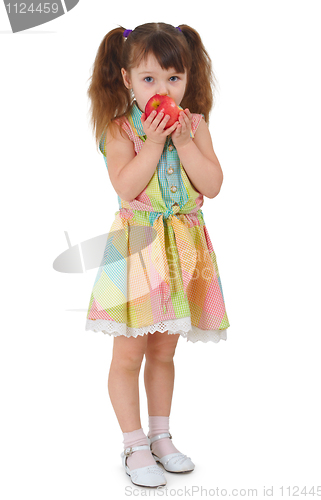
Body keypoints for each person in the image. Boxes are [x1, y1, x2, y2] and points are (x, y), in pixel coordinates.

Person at [85, 22, 230, 488]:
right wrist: (152, 141)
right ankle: (133, 444)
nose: (162, 89)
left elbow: (212, 185)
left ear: (188, 79)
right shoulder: (121, 128)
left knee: (164, 350)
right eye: (149, 79)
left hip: (183, 249)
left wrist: (184, 141)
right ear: (127, 79)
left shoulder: (195, 125)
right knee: (129, 352)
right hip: (139, 248)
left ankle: (161, 435)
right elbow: (126, 188)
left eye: (174, 78)